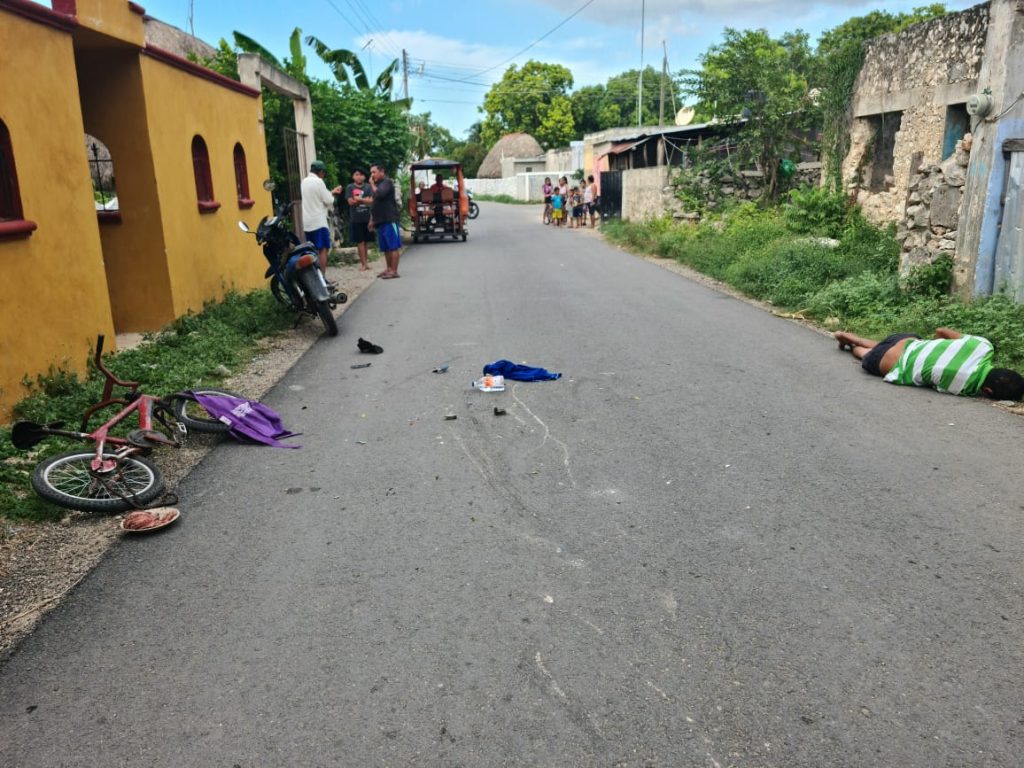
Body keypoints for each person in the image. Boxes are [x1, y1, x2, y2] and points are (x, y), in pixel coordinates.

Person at [834, 327, 1024, 399]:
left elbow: (941, 331)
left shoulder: (983, 346)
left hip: (908, 339)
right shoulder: (962, 388)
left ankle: (854, 337)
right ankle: (853, 345)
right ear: (987, 391)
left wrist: (932, 348)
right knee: (866, 355)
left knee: (886, 346)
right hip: (889, 363)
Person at [300, 160, 342, 276]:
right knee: (323, 249)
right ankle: (322, 277)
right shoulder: (319, 182)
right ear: (321, 172)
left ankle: (314, 277)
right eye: (324, 173)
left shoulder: (304, 182)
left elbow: (317, 197)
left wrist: (331, 192)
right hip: (319, 222)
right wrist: (333, 195)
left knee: (312, 251)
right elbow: (328, 200)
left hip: (307, 223)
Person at [368, 163, 402, 279]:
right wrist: (371, 219)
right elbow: (374, 203)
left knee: (393, 246)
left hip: (390, 219)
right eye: (371, 172)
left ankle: (394, 271)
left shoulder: (387, 182)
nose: (372, 175)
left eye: (374, 172)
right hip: (380, 220)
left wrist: (372, 184)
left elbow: (380, 194)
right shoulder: (377, 185)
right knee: (386, 247)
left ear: (382, 172)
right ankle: (389, 268)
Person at [344, 168, 373, 271]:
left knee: (366, 242)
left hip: (368, 218)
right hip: (356, 219)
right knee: (360, 242)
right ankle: (363, 264)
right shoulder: (350, 187)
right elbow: (350, 202)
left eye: (361, 174)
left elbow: (371, 201)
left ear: (364, 177)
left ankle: (366, 263)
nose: (359, 177)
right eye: (356, 174)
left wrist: (358, 199)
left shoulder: (368, 187)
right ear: (353, 176)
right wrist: (365, 200)